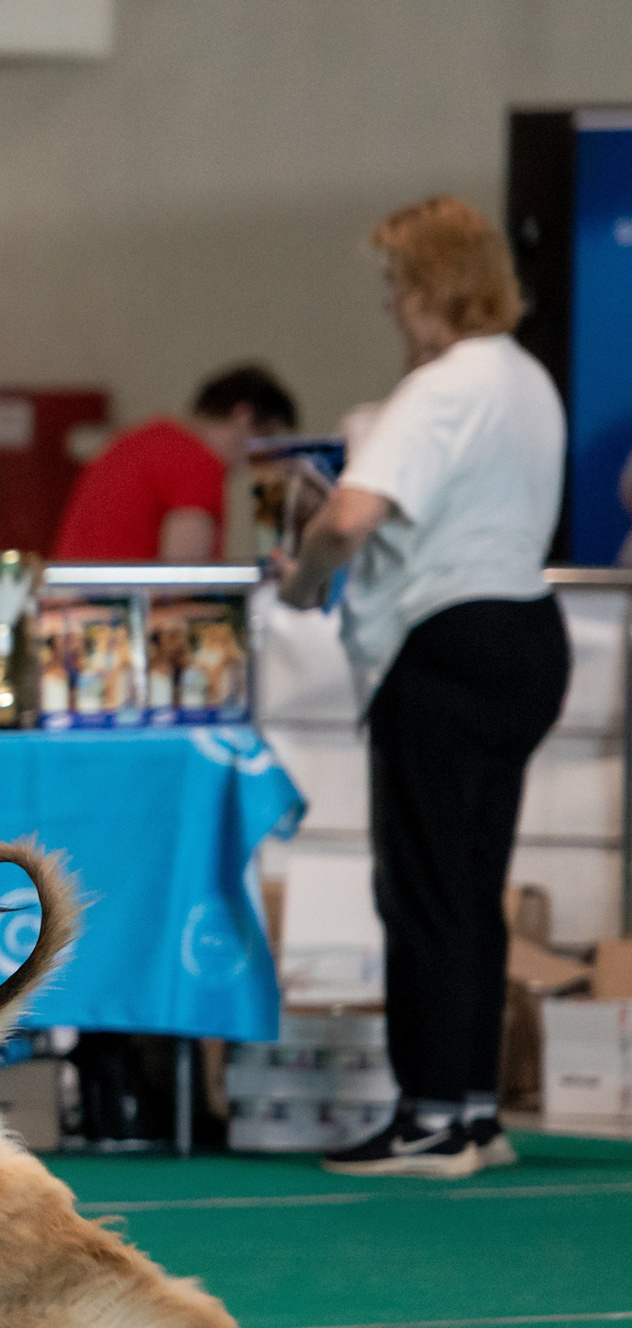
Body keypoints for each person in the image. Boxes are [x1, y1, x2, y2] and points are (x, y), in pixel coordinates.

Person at [269, 195, 567, 1179]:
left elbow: (350, 516)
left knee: (424, 888)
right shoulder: (526, 378)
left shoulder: (441, 387)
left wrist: (303, 580)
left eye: (395, 286)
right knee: (469, 885)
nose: (389, 307)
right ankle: (472, 1108)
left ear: (431, 286)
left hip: (443, 645)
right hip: (525, 635)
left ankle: (430, 1118)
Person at [54, 364, 298, 560]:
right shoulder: (198, 462)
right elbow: (184, 577)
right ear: (244, 417)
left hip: (74, 604)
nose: (264, 457)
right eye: (268, 436)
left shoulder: (146, 439)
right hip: (119, 610)